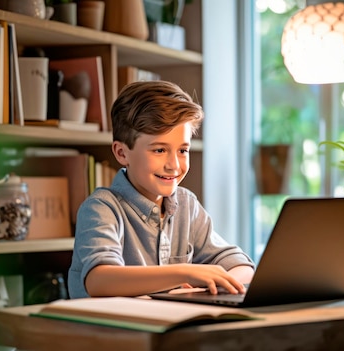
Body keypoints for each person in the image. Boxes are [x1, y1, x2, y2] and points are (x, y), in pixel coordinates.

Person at [68, 80, 255, 299]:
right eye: (159, 150)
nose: (174, 165)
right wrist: (184, 273)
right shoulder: (102, 208)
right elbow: (99, 281)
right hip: (112, 332)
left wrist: (203, 287)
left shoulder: (187, 205)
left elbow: (244, 267)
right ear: (121, 153)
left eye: (183, 150)